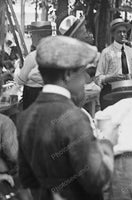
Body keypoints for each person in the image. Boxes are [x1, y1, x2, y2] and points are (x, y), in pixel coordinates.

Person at [17, 36, 117, 200]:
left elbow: (26, 180)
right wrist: (107, 144)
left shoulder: (25, 116)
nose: (85, 78)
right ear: (68, 74)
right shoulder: (74, 117)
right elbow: (97, 180)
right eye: (81, 71)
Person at [96, 18, 132, 109]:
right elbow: (98, 78)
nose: (122, 34)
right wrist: (111, 78)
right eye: (119, 32)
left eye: (124, 32)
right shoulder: (106, 52)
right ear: (113, 34)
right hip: (110, 92)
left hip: (127, 91)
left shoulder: (130, 52)